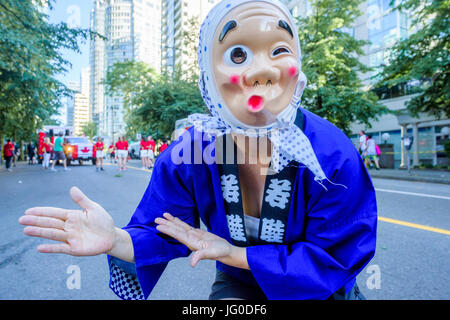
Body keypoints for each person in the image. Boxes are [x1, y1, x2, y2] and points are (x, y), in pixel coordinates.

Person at [19, 0, 376, 301]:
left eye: (279, 50)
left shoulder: (331, 155)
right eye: (238, 54)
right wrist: (114, 239)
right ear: (207, 74)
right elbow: (160, 229)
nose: (263, 71)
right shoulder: (190, 152)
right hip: (239, 282)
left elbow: (335, 258)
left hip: (320, 291)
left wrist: (235, 253)